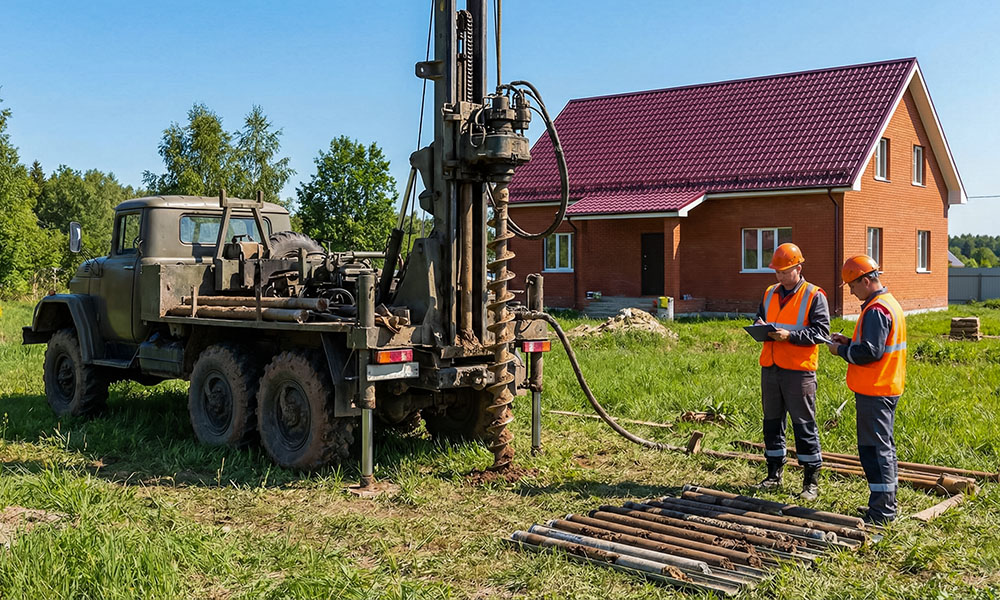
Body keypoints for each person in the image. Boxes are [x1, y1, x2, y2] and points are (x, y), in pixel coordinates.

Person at [827, 255, 906, 525]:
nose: (850, 291)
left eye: (852, 285)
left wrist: (840, 350)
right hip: (884, 386)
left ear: (866, 279)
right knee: (882, 448)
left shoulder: (875, 310)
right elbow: (877, 344)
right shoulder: (887, 304)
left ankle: (883, 512)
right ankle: (883, 506)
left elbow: (870, 352)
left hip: (876, 389)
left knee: (875, 451)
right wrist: (850, 340)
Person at [755, 243, 830, 500]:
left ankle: (811, 481)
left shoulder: (814, 295)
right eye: (777, 271)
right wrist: (759, 327)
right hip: (771, 367)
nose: (780, 276)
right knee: (772, 423)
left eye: (785, 271)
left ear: (798, 268)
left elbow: (822, 333)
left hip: (799, 372)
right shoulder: (769, 293)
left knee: (804, 425)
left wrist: (791, 336)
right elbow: (759, 317)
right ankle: (774, 474)